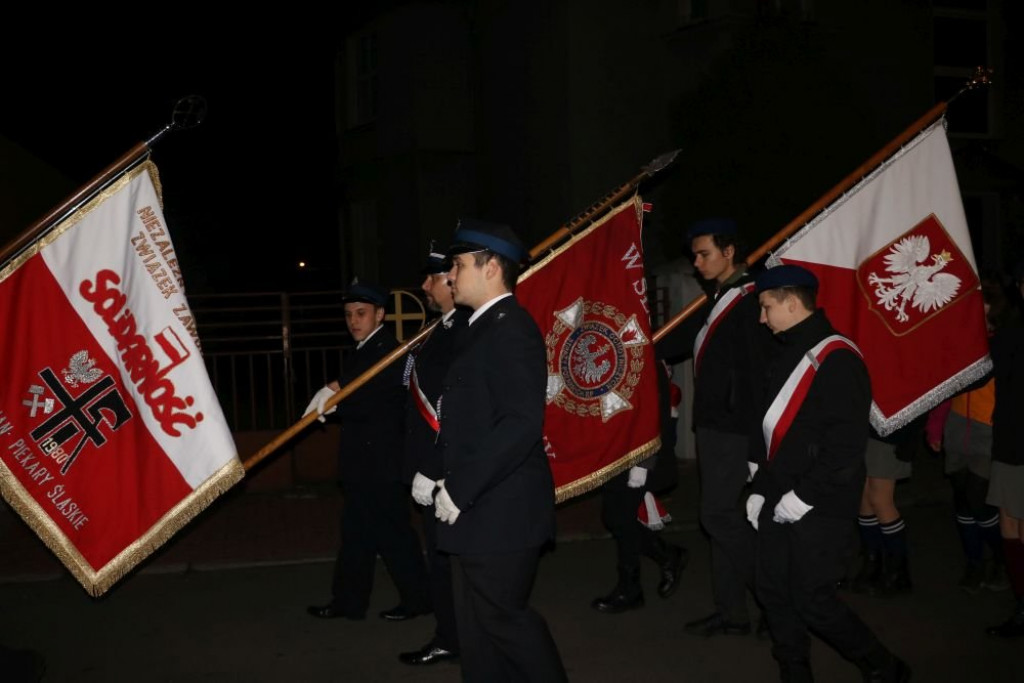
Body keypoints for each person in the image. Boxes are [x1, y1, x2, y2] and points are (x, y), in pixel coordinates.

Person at [745, 264, 910, 682]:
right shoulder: (785, 350)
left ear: (791, 301)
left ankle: (883, 666)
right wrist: (761, 488)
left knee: (813, 600)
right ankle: (794, 671)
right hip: (779, 494)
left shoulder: (837, 359)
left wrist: (802, 498)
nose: (761, 318)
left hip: (819, 503)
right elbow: (769, 428)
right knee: (772, 591)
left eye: (766, 307)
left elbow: (845, 447)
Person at [434, 218, 567, 682]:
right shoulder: (481, 326)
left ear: (491, 268)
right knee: (476, 631)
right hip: (479, 507)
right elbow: (470, 417)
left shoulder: (512, 330)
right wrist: (436, 471)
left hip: (502, 510)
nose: (451, 276)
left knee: (504, 621)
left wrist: (461, 487)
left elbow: (520, 423)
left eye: (458, 265)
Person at [656, 217, 770, 637]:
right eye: (694, 255)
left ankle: (774, 603)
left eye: (704, 254)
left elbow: (760, 374)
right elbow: (673, 343)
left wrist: (757, 444)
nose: (696, 262)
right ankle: (733, 611)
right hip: (715, 424)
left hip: (736, 426)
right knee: (720, 516)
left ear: (730, 252)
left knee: (719, 517)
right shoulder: (718, 296)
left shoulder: (752, 299)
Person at [304, 280, 431, 622]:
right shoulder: (363, 350)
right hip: (362, 463)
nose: (354, 321)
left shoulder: (388, 351)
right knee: (357, 535)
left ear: (380, 314)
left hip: (381, 463)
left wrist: (336, 398)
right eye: (348, 315)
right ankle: (349, 602)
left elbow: (375, 403)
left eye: (361, 313)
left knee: (393, 534)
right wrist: (335, 393)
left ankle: (418, 598)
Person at [397, 244, 469, 666]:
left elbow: (453, 406)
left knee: (448, 562)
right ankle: (453, 633)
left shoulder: (461, 330)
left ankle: (454, 638)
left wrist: (435, 466)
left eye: (433, 277)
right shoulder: (441, 328)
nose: (424, 285)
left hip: (444, 469)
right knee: (440, 558)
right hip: (431, 463)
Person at [925, 276, 1007, 595]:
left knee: (978, 497)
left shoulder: (1005, 342)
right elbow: (947, 389)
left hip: (988, 428)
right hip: (958, 425)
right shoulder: (962, 342)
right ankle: (974, 562)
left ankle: (1001, 559)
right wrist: (935, 428)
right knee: (961, 497)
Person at [590, 358, 689, 614]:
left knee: (620, 517)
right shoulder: (615, 349)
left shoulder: (642, 355)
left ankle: (630, 588)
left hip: (641, 455)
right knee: (615, 517)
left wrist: (644, 462)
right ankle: (667, 555)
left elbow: (652, 409)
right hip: (618, 450)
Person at [985, 260, 1024, 638]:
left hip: (1016, 441)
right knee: (1009, 522)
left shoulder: (1012, 332)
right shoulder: (1010, 331)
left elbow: (983, 367)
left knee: (1014, 523)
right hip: (1011, 438)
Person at [846, 419, 924, 598]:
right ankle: (872, 564)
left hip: (890, 431)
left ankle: (898, 573)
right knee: (864, 499)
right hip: (865, 429)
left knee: (880, 500)